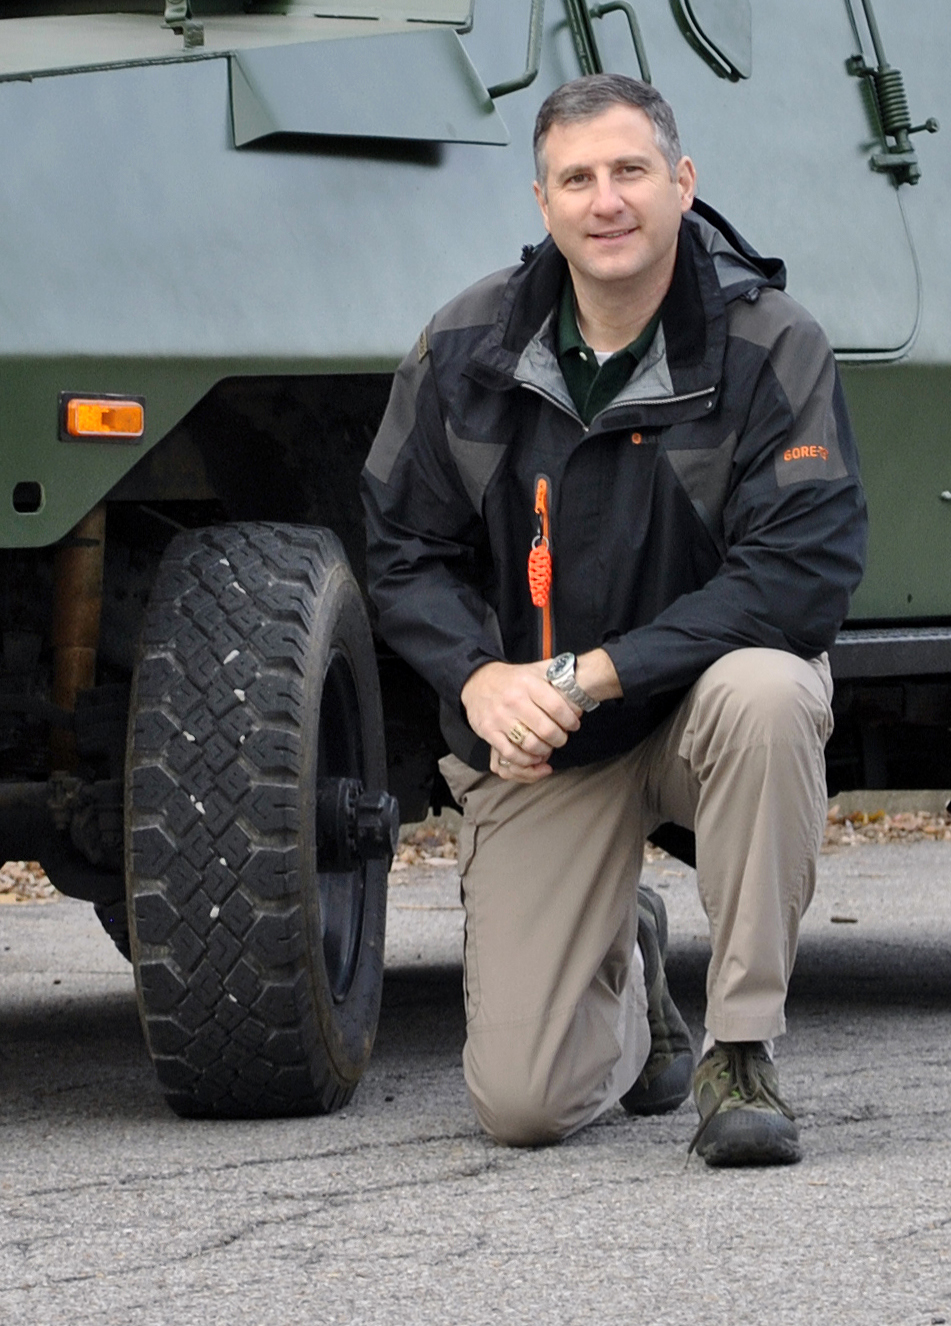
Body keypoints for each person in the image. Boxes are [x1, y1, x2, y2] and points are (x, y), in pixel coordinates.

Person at [360, 72, 866, 1164]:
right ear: (541, 201)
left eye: (631, 170)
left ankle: (740, 1047)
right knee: (524, 1105)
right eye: (577, 177)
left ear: (681, 183)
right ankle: (631, 961)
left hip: (696, 716)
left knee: (774, 686)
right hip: (545, 744)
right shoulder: (465, 347)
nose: (607, 200)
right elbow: (403, 550)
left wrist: (599, 670)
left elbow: (801, 572)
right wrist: (478, 677)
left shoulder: (769, 343)